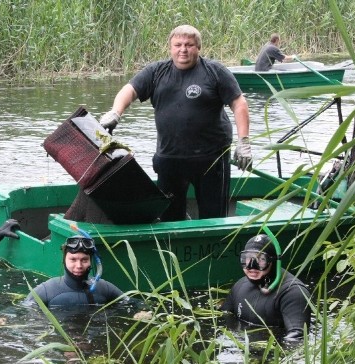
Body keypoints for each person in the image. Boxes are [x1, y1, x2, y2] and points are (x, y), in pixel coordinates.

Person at [98, 24, 253, 222]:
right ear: (170, 48)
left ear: (198, 47)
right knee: (170, 218)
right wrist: (115, 112)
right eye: (177, 44)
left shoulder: (215, 71)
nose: (183, 49)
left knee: (213, 216)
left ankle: (214, 248)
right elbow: (129, 90)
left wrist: (244, 142)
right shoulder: (156, 72)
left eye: (189, 45)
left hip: (211, 158)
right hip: (170, 158)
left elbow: (239, 104)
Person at [220, 234, 311, 341]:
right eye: (248, 258)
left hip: (275, 350)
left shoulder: (293, 292)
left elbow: (297, 337)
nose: (251, 265)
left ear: (272, 261)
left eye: (261, 259)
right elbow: (225, 316)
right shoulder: (240, 285)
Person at [23, 235, 124, 307]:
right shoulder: (46, 290)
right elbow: (22, 313)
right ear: (64, 260)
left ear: (91, 261)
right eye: (73, 260)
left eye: (84, 260)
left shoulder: (104, 288)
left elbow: (132, 303)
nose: (79, 266)